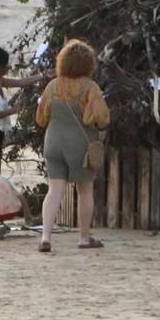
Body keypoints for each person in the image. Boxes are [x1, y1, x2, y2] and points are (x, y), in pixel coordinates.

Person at [36, 39, 112, 253]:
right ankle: (84, 237)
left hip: (53, 141)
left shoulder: (53, 85)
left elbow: (41, 118)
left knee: (54, 190)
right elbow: (101, 117)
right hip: (79, 143)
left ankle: (45, 237)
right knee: (85, 190)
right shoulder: (90, 87)